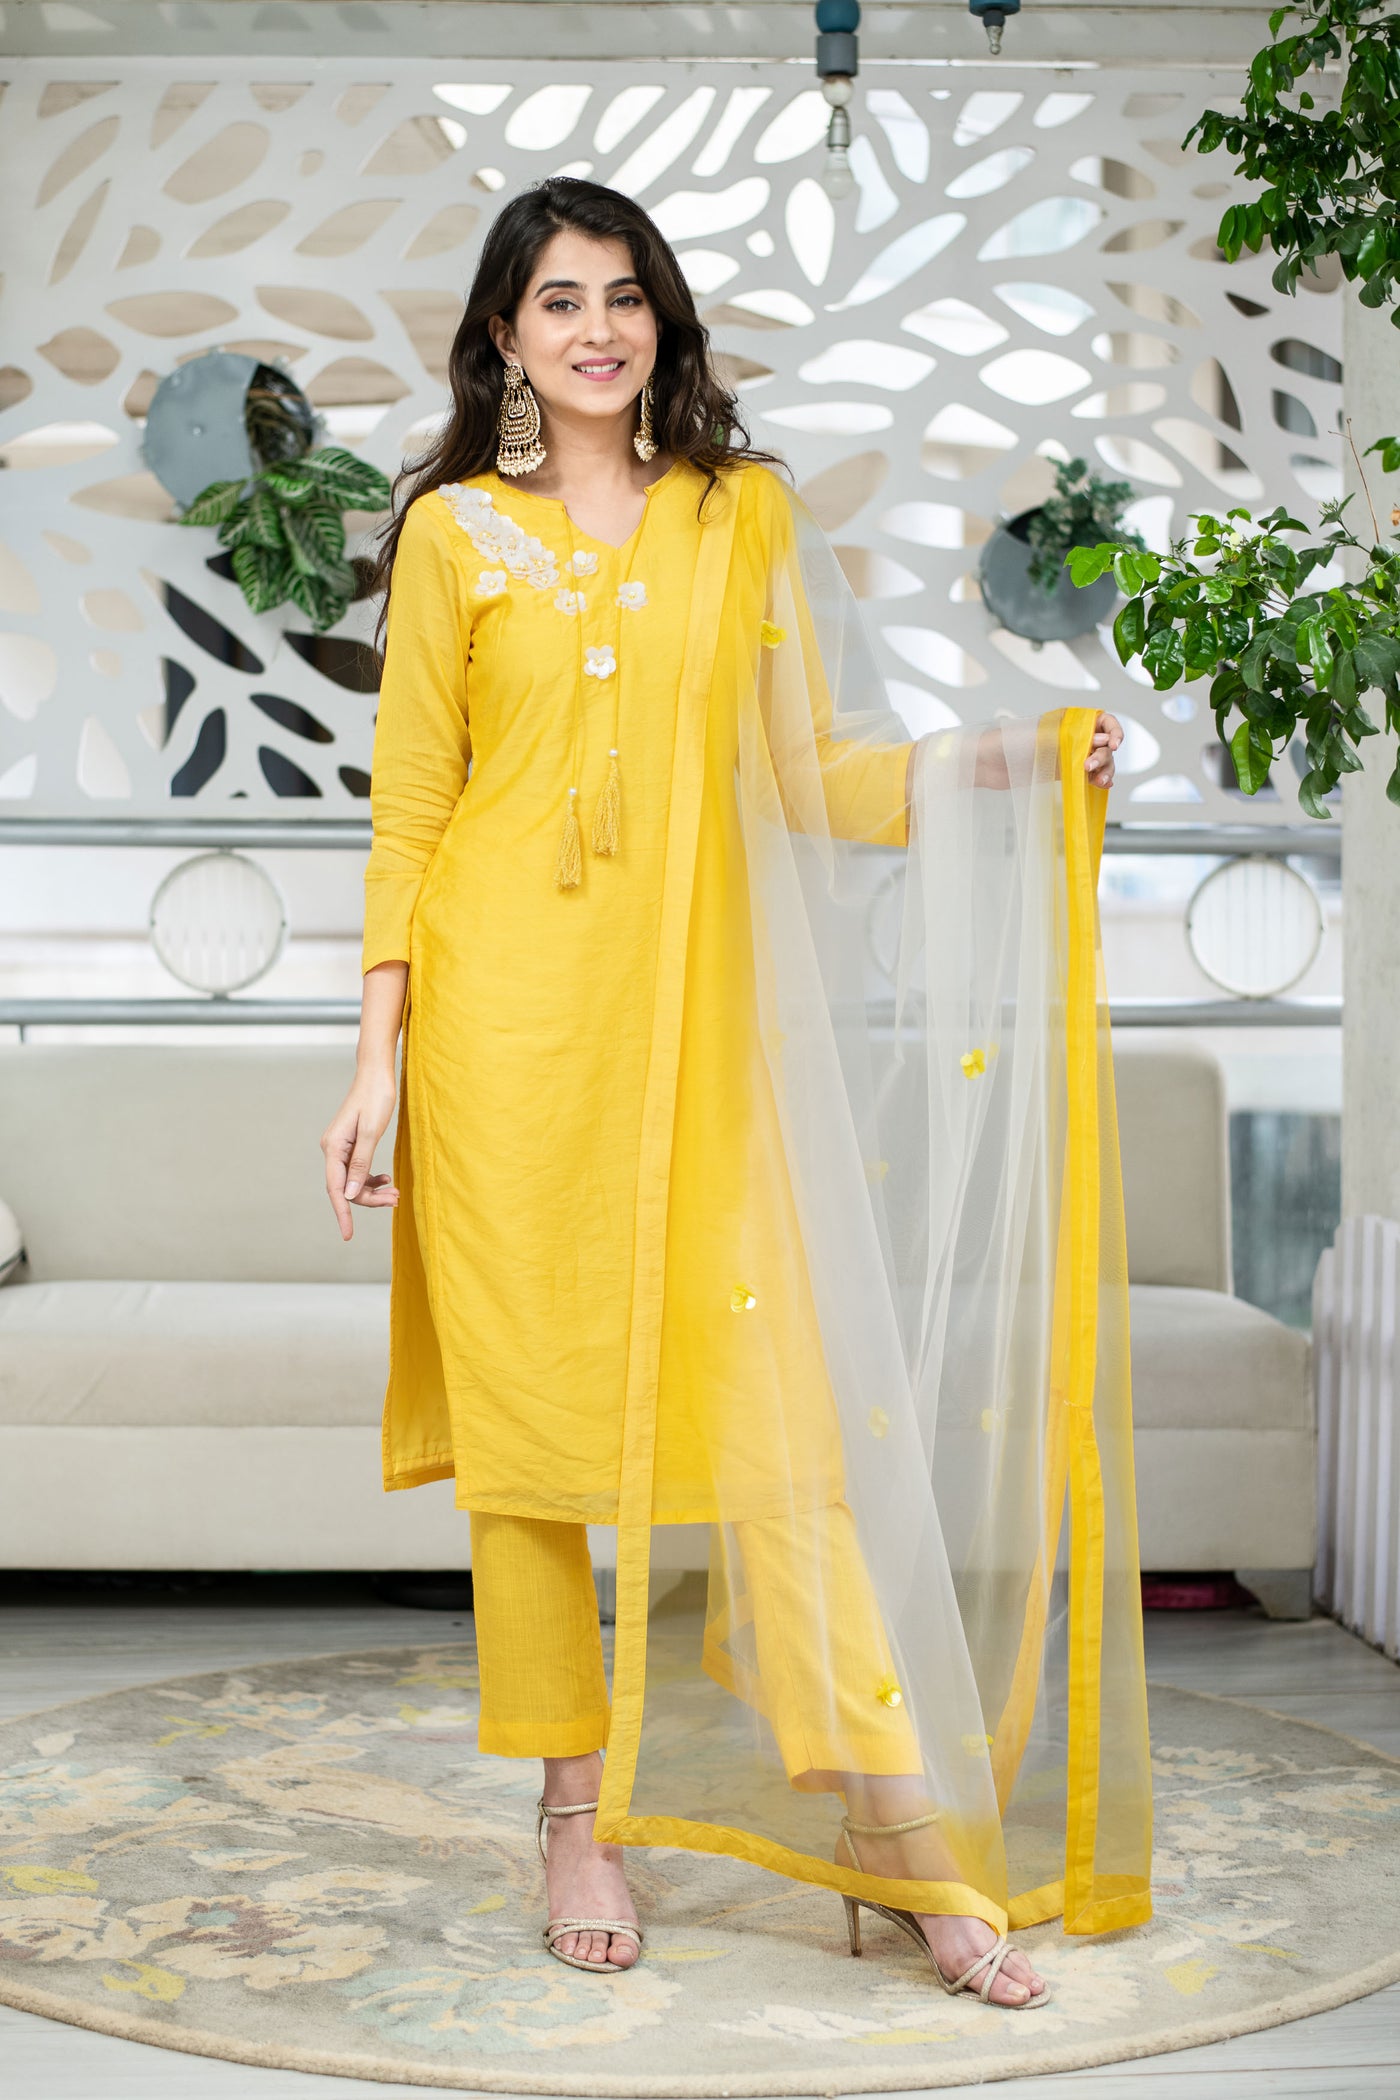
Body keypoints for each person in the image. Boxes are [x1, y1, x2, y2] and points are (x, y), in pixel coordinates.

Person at [322, 176, 1149, 2011]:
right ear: (504, 335)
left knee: (782, 1429)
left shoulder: (739, 514)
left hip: (698, 1037)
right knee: (531, 1452)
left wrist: (1003, 762)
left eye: (624, 296)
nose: (597, 329)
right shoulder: (452, 535)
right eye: (559, 301)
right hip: (502, 1039)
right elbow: (413, 808)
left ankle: (887, 1820)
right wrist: (376, 1061)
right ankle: (574, 1818)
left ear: (663, 322)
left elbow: (805, 771)